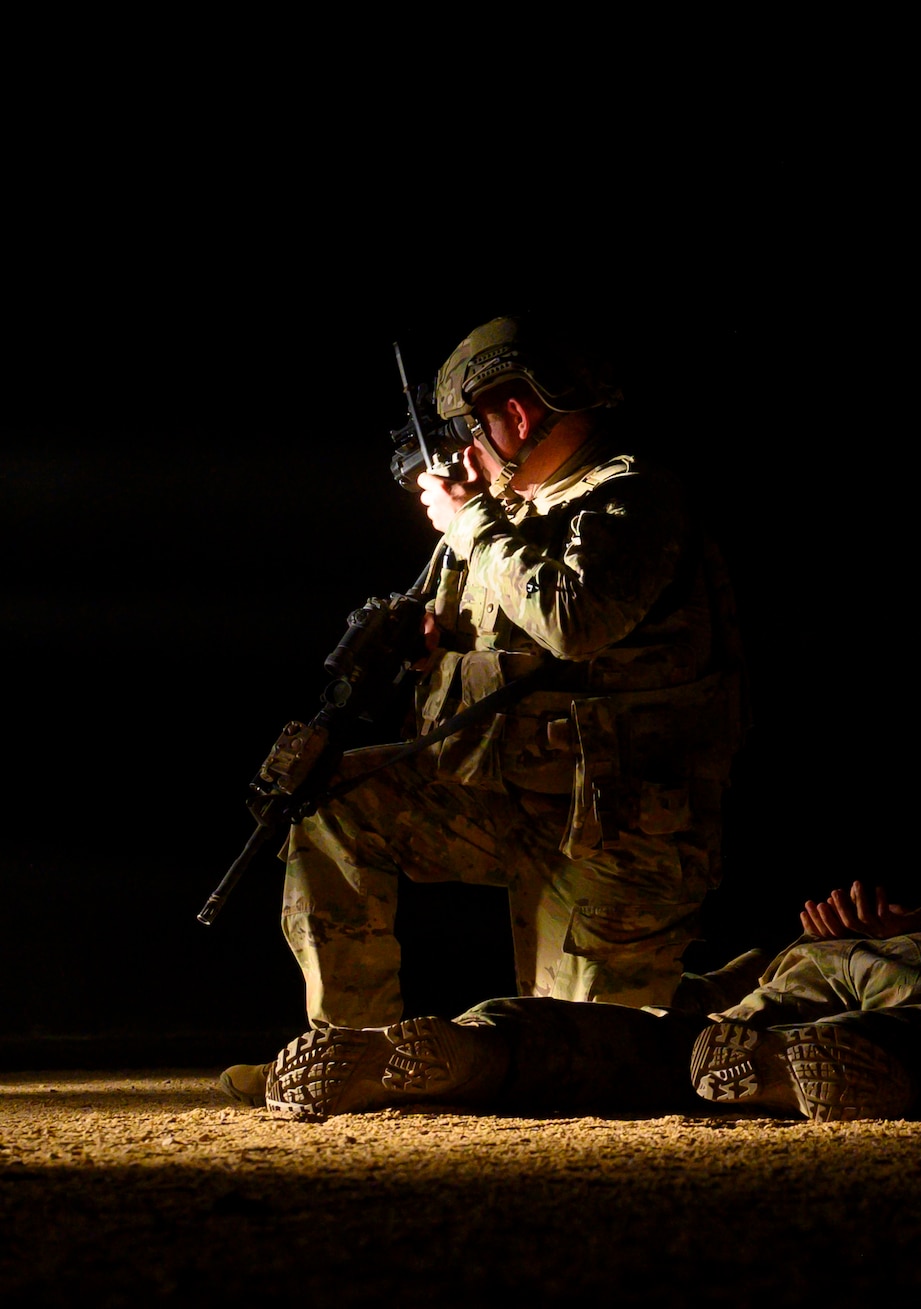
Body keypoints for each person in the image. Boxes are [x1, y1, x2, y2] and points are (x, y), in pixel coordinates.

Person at [220, 315, 743, 1104]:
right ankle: (348, 1055)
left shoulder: (634, 499)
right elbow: (501, 662)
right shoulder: (512, 519)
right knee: (334, 798)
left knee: (594, 1071)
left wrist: (470, 523)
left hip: (622, 838)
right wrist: (431, 653)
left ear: (520, 415)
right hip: (510, 808)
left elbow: (573, 619)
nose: (463, 449)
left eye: (471, 426)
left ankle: (756, 1005)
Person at [256, 859, 921, 1123]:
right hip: (882, 980)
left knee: (666, 1048)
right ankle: (824, 1066)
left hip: (788, 983)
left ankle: (474, 1049)